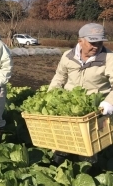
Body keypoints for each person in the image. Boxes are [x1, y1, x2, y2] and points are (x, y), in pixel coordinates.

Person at [48, 23, 112, 164]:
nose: (97, 46)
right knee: (63, 141)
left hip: (94, 110)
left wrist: (108, 103)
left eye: (100, 42)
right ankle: (59, 162)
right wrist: (49, 97)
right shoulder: (68, 56)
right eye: (93, 42)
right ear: (80, 41)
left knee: (88, 145)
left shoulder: (109, 58)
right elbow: (59, 78)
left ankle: (88, 168)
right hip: (68, 107)